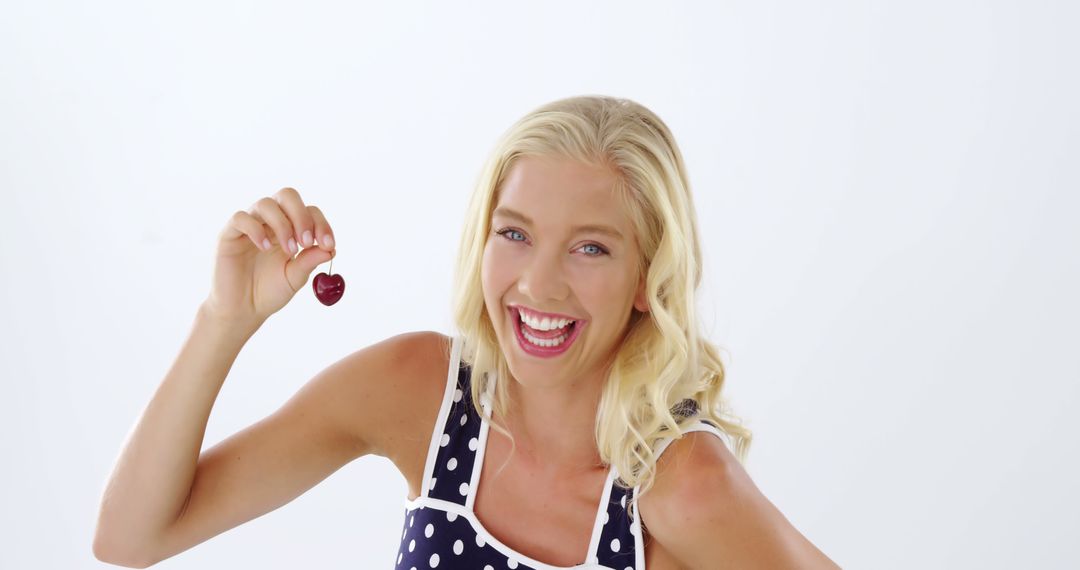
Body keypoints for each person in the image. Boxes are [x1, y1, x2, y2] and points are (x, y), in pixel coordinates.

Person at [93, 95, 840, 569]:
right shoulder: (420, 392)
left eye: (591, 248)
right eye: (515, 234)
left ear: (651, 280)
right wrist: (224, 322)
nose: (538, 285)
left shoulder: (682, 488)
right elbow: (131, 540)